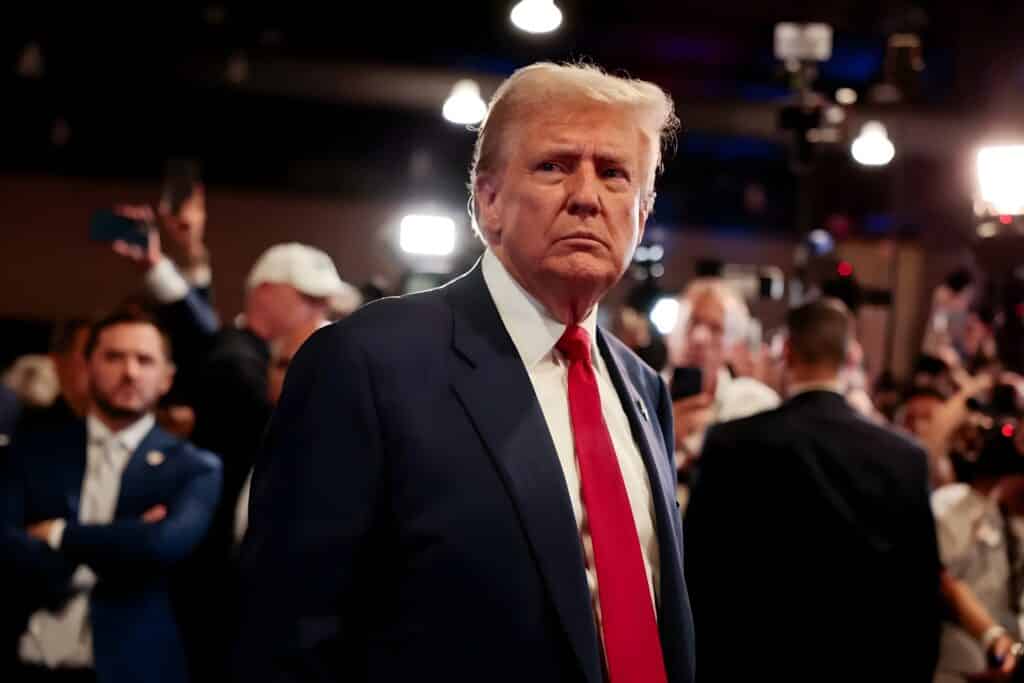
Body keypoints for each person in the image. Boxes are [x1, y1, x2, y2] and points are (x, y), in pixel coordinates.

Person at [238, 62, 695, 683]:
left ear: (641, 214)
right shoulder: (365, 363)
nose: (587, 196)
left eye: (615, 174)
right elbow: (285, 639)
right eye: (554, 166)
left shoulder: (643, 390)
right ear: (488, 202)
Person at [684, 298, 941, 682]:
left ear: (786, 351)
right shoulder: (904, 458)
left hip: (753, 664)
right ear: (851, 357)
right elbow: (919, 597)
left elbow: (700, 575)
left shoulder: (731, 443)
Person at [0, 309, 222, 683]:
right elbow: (5, 547)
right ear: (87, 365)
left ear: (166, 378)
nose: (130, 372)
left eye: (144, 360)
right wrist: (125, 540)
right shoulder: (31, 451)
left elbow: (161, 544)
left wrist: (57, 534)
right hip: (28, 657)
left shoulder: (193, 467)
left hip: (134, 666)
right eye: (114, 357)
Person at [666, 279, 779, 475]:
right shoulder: (635, 396)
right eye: (693, 322)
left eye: (715, 328)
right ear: (672, 331)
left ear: (733, 344)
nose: (699, 338)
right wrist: (663, 438)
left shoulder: (755, 407)